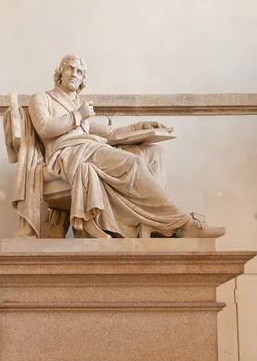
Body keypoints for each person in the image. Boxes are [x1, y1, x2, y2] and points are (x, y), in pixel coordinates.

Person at [28, 55, 225, 239]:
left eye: (79, 72)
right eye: (70, 68)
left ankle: (153, 225)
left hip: (89, 148)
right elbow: (44, 127)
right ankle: (183, 223)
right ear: (60, 73)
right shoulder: (42, 98)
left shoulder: (78, 105)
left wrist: (141, 127)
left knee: (153, 153)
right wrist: (77, 115)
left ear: (82, 80)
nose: (74, 74)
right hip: (68, 154)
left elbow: (109, 133)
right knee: (134, 164)